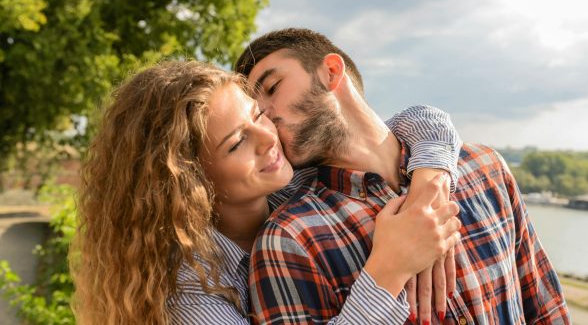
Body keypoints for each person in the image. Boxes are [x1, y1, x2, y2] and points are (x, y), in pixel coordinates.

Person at [70, 60, 464, 324]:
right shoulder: (187, 296)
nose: (269, 138)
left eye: (258, 115)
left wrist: (429, 187)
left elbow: (417, 122)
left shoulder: (292, 182)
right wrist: (389, 270)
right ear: (186, 182)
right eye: (236, 143)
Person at [235, 28, 571, 324]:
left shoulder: (486, 168)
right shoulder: (289, 239)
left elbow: (544, 307)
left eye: (272, 87)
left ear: (331, 72)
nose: (263, 114)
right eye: (253, 110)